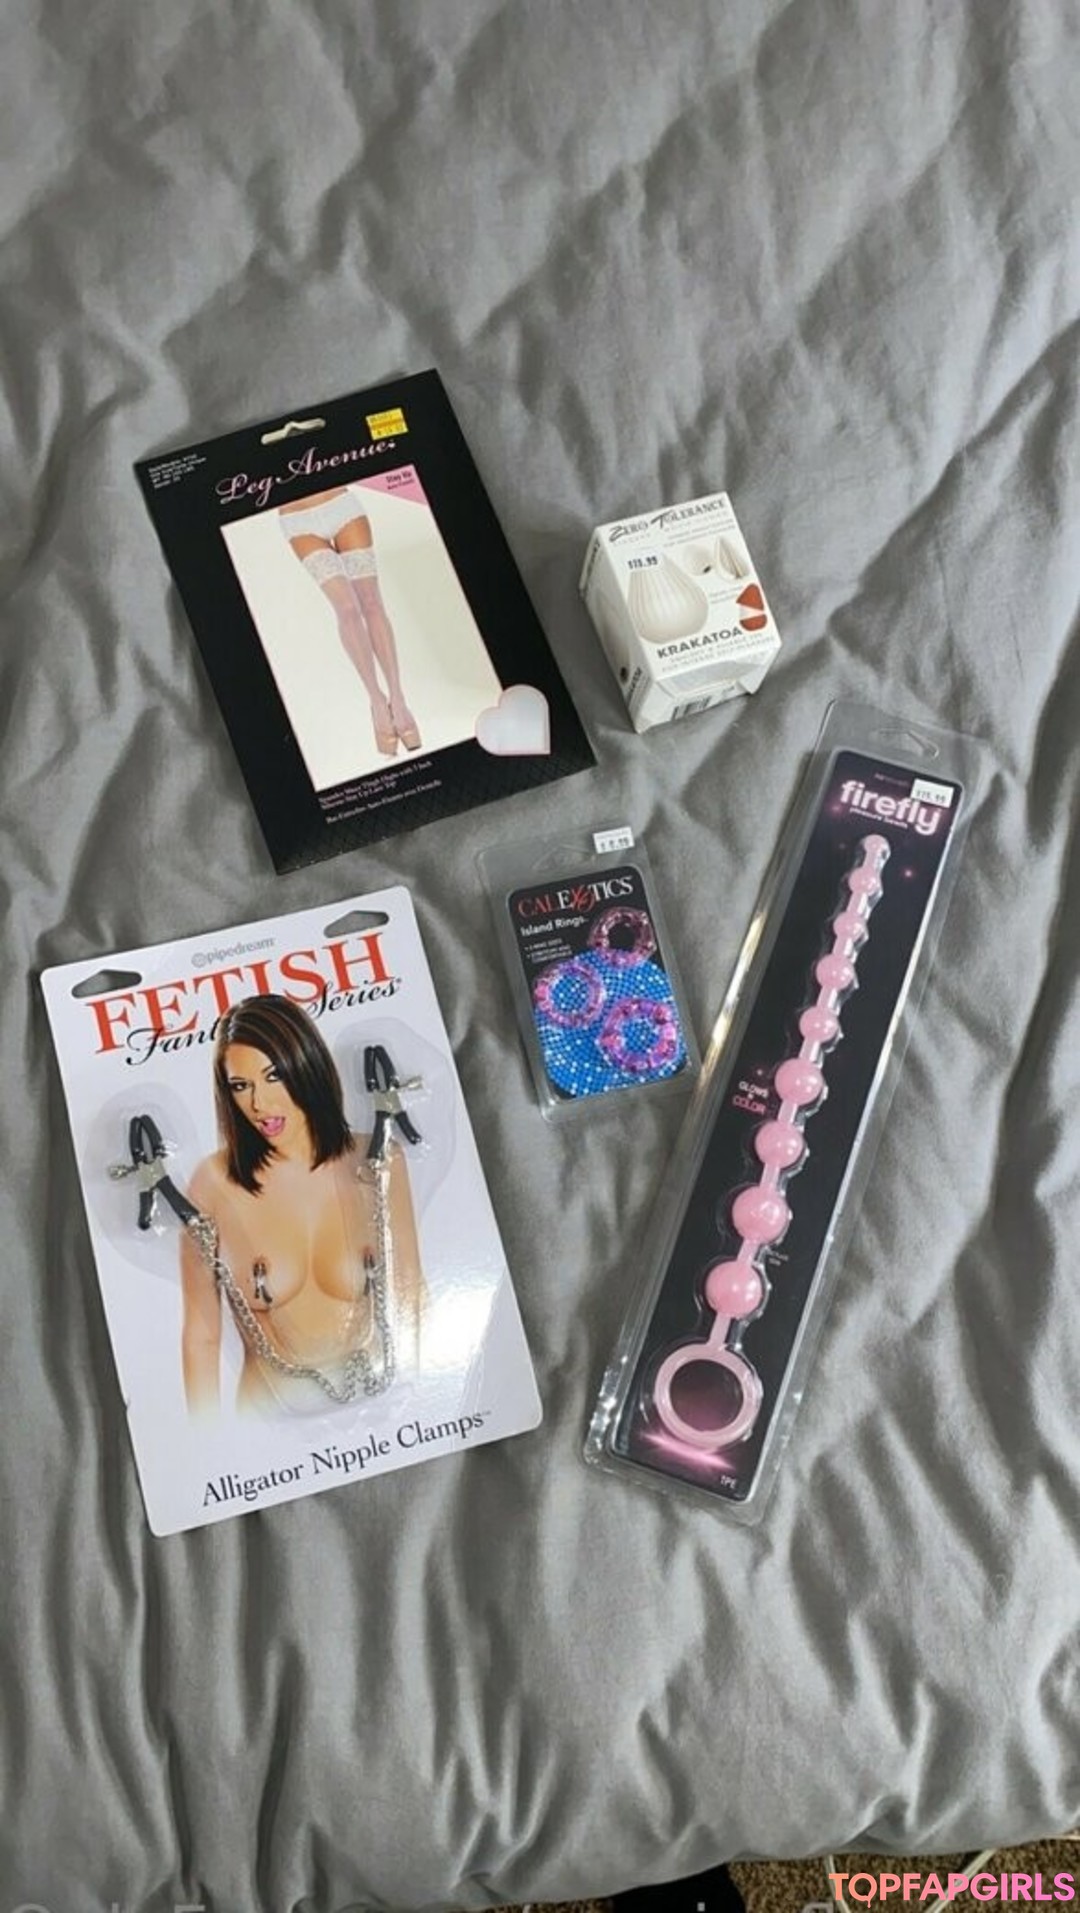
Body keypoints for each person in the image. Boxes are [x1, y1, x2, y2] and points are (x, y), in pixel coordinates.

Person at [180, 995, 424, 1415]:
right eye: (240, 1086)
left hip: (379, 1406)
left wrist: (427, 1401)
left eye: (274, 1076)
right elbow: (201, 1338)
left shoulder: (379, 1161)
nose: (258, 1104)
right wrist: (207, 1442)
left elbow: (411, 1293)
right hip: (267, 1424)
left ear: (307, 1066)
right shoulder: (213, 1183)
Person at [279, 484, 421, 757]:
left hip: (340, 506)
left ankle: (398, 699)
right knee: (346, 609)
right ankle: (377, 701)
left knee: (371, 602)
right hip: (296, 520)